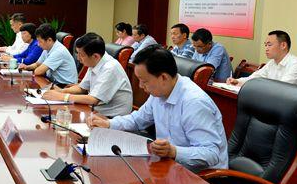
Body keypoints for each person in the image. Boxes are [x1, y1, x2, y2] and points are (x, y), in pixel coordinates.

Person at [88, 45, 228, 173]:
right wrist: (108, 124)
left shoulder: (194, 103)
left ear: (163, 77)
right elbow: (137, 120)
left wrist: (173, 151)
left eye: (144, 81)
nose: (140, 86)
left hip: (201, 177)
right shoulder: (159, 93)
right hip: (169, 166)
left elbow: (211, 154)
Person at [42, 32, 132, 117]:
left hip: (111, 118)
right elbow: (82, 88)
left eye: (81, 55)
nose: (78, 58)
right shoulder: (94, 61)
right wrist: (61, 91)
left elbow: (93, 99)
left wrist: (63, 96)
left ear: (95, 56)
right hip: (95, 111)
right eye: (77, 53)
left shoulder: (110, 68)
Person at [226, 30, 297, 87]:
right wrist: (237, 81)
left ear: (283, 45)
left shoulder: (296, 64)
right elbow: (255, 78)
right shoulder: (272, 63)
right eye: (265, 45)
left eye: (269, 45)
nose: (266, 48)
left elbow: (282, 88)